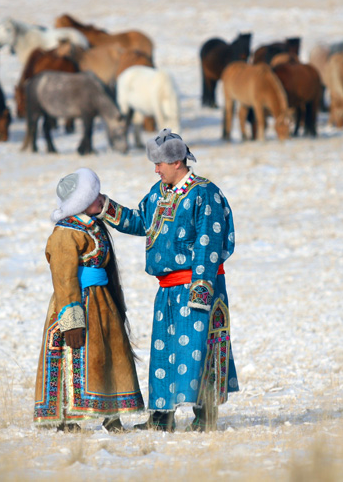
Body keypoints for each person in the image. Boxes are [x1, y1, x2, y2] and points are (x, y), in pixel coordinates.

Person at [97, 128, 239, 432]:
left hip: (196, 286)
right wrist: (105, 207)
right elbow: (139, 221)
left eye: (160, 163)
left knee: (199, 351)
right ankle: (161, 418)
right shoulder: (158, 192)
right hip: (167, 289)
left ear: (177, 162)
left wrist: (201, 289)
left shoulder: (204, 193)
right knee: (163, 353)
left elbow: (208, 243)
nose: (156, 168)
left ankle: (205, 418)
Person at [33, 167, 144, 432]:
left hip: (101, 302)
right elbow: (63, 278)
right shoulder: (65, 233)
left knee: (110, 354)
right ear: (82, 202)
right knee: (77, 355)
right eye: (95, 196)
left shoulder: (91, 226)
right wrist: (71, 319)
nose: (101, 199)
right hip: (78, 302)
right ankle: (69, 418)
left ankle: (112, 414)